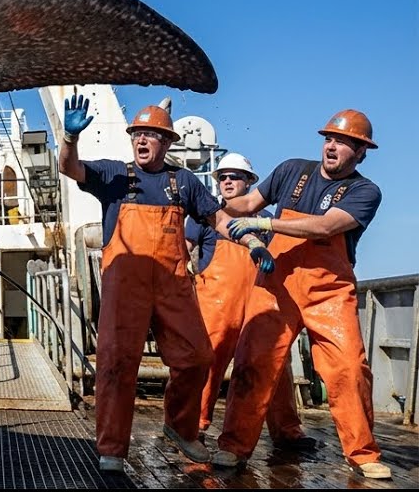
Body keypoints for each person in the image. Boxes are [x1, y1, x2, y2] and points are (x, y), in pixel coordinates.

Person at [59, 94, 272, 474]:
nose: (141, 140)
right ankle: (111, 448)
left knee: (197, 358)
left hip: (173, 286)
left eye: (151, 134)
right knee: (116, 364)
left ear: (168, 142)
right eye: (137, 134)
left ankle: (180, 426)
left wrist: (251, 240)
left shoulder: (183, 182)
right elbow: (69, 167)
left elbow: (217, 219)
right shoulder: (114, 176)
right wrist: (70, 138)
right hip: (126, 290)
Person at [212, 111, 390, 480]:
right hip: (276, 285)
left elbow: (325, 226)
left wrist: (267, 223)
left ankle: (362, 453)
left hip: (328, 292)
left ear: (361, 152)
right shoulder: (291, 169)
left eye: (342, 142)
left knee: (349, 368)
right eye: (328, 139)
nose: (332, 146)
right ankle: (232, 447)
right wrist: (194, 196)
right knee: (253, 362)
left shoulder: (365, 191)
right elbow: (244, 205)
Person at [185, 152, 310, 447]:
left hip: (259, 304)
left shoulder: (267, 221)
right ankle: (194, 425)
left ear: (250, 182)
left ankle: (287, 431)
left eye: (235, 177)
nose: (227, 181)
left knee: (274, 364)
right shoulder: (207, 216)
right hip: (215, 307)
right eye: (223, 177)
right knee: (208, 362)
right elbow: (183, 248)